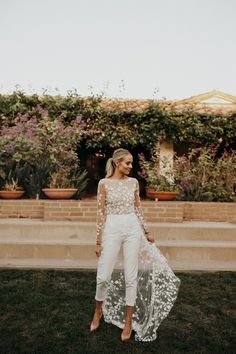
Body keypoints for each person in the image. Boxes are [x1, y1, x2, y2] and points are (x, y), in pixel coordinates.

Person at [90, 148, 180, 342]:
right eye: (127, 163)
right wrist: (98, 240)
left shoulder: (133, 183)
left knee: (131, 277)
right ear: (116, 163)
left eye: (131, 163)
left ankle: (129, 322)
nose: (131, 166)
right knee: (103, 276)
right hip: (112, 229)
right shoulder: (103, 184)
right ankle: (98, 312)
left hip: (132, 229)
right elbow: (100, 213)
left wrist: (146, 231)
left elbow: (138, 209)